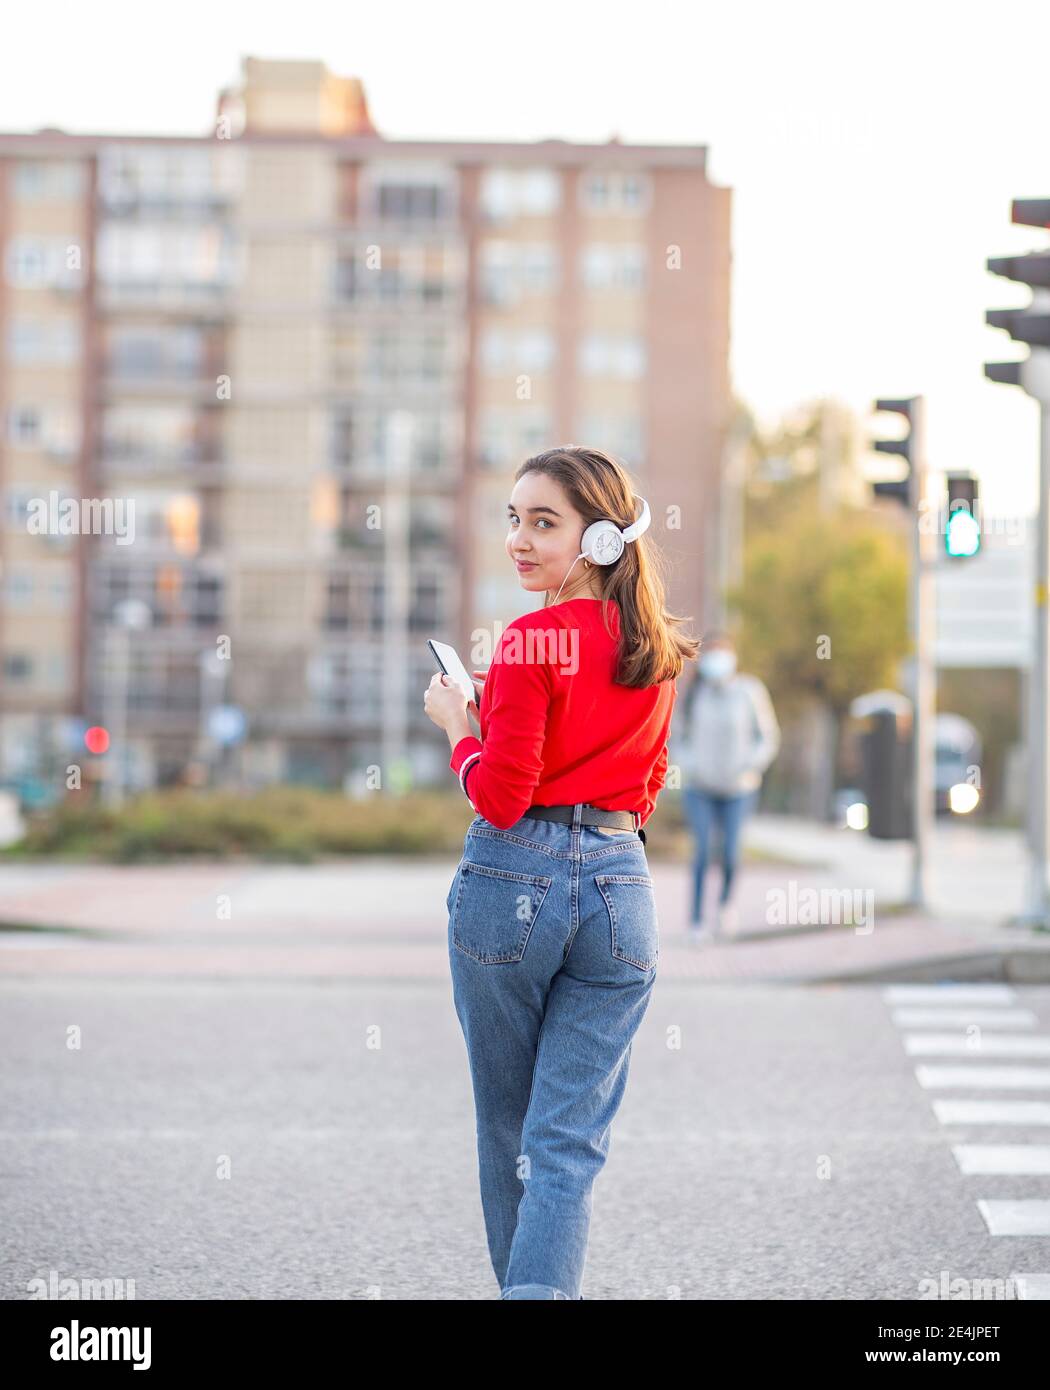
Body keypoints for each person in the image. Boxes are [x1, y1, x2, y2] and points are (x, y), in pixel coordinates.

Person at [423, 445, 698, 1300]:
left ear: (604, 540)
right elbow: (647, 788)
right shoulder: (657, 651)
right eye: (513, 518)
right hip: (623, 893)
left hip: (514, 887)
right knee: (568, 1143)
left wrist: (458, 727)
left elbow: (500, 798)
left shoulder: (530, 640)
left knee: (510, 1126)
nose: (519, 539)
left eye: (544, 522)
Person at [671, 630, 780, 941]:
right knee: (702, 851)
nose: (717, 660)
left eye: (723, 652)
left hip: (739, 789)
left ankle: (725, 906)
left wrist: (750, 766)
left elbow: (767, 737)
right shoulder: (693, 696)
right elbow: (679, 738)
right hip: (700, 788)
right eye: (712, 654)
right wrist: (691, 766)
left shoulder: (749, 691)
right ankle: (696, 920)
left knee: (731, 852)